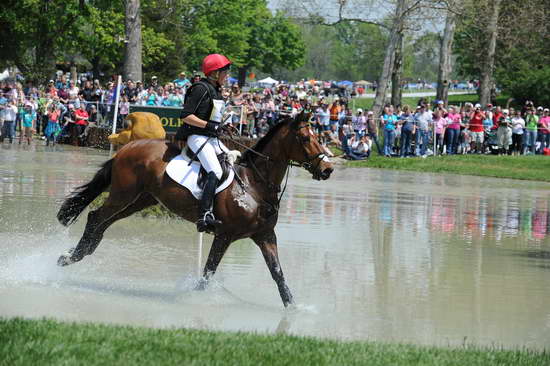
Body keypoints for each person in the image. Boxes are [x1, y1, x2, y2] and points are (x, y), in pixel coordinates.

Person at [175, 54, 232, 233]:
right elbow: (186, 115)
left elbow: (213, 117)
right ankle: (204, 215)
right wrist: (209, 125)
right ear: (214, 73)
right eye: (224, 72)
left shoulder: (216, 90)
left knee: (231, 161)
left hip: (211, 137)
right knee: (214, 170)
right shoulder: (200, 89)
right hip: (196, 136)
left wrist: (223, 125)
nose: (227, 75)